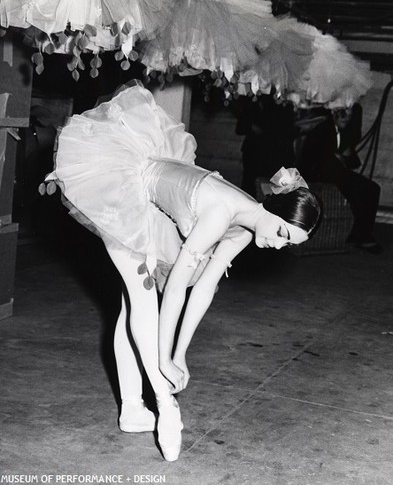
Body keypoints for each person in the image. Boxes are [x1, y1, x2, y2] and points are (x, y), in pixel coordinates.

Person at [44, 81, 321, 462]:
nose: (278, 244)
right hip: (126, 189)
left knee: (131, 311)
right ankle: (162, 402)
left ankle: (131, 409)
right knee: (145, 300)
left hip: (158, 209)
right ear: (275, 212)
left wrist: (180, 353)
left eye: (288, 244)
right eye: (282, 233)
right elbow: (176, 289)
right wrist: (163, 361)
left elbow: (204, 288)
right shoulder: (223, 212)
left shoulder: (247, 226)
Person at [293, 106, 382, 254]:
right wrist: (338, 159)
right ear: (334, 114)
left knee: (372, 188)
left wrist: (343, 155)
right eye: (343, 117)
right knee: (363, 189)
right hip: (319, 175)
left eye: (349, 117)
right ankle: (361, 235)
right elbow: (315, 161)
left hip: (335, 173)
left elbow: (350, 159)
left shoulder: (342, 131)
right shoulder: (323, 129)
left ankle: (359, 234)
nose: (346, 120)